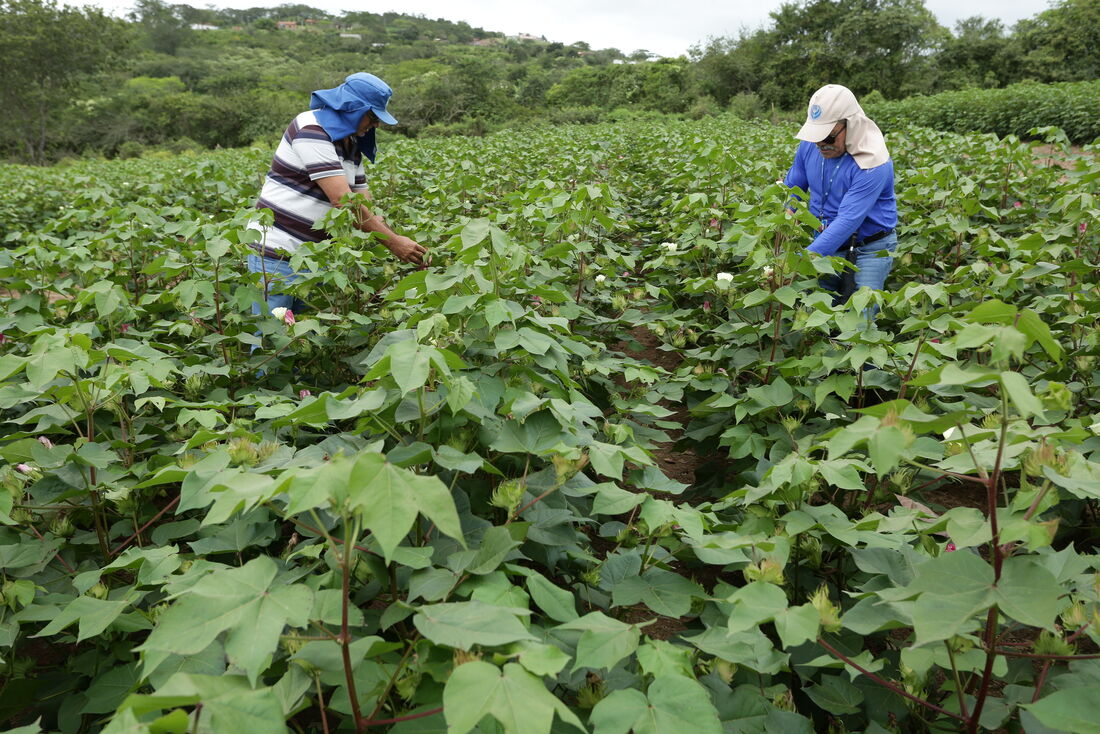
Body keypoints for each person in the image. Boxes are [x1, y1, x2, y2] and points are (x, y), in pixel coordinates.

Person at [247, 72, 427, 319]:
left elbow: (364, 203)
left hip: (311, 259)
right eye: (373, 116)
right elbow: (344, 201)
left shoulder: (350, 144)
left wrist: (398, 240)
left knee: (299, 335)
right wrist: (394, 243)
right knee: (272, 338)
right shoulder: (312, 128)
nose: (376, 125)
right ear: (352, 108)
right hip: (277, 256)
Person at [782, 84, 897, 308]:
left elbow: (847, 220)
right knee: (814, 310)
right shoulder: (810, 145)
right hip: (823, 240)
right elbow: (793, 187)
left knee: (860, 316)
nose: (820, 144)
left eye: (828, 137)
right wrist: (784, 225)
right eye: (816, 136)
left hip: (869, 247)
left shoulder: (873, 162)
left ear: (850, 126)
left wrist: (800, 262)